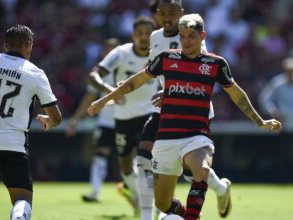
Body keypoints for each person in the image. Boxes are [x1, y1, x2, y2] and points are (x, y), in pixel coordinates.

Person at [87, 14, 282, 220]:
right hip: (166, 138)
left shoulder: (215, 63)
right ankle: (189, 212)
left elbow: (235, 93)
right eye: (183, 36)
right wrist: (102, 101)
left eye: (191, 36)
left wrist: (259, 121)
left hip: (196, 135)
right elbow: (133, 82)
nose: (186, 41)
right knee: (162, 203)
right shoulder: (166, 58)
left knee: (202, 170)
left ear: (202, 36)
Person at [136, 1, 229, 219]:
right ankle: (149, 215)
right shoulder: (155, 37)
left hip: (193, 111)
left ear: (181, 13)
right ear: (157, 15)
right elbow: (156, 69)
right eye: (163, 13)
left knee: (191, 172)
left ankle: (219, 189)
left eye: (172, 13)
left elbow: (194, 72)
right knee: (142, 158)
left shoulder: (191, 35)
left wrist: (169, 92)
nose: (167, 17)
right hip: (164, 110)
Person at [0, 24, 62, 220]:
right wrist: (49, 121)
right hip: (12, 146)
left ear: (5, 45)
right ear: (29, 45)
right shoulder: (35, 73)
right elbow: (57, 117)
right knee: (22, 200)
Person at [88, 16, 157, 216]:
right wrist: (111, 91)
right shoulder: (121, 52)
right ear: (133, 35)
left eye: (148, 33)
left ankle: (153, 206)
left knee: (147, 159)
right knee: (125, 168)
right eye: (140, 33)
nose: (144, 37)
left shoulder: (159, 53)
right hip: (123, 117)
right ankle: (136, 195)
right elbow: (93, 76)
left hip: (150, 113)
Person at [66, 38, 120, 202]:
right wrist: (75, 119)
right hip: (106, 122)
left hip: (128, 119)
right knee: (100, 155)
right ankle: (95, 192)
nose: (110, 53)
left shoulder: (130, 67)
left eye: (113, 50)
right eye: (107, 49)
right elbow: (89, 96)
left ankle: (138, 195)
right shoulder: (99, 73)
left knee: (131, 159)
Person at [259, 57, 293, 182]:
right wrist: (273, 111)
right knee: (283, 155)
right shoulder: (277, 83)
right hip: (284, 126)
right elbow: (265, 99)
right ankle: (284, 180)